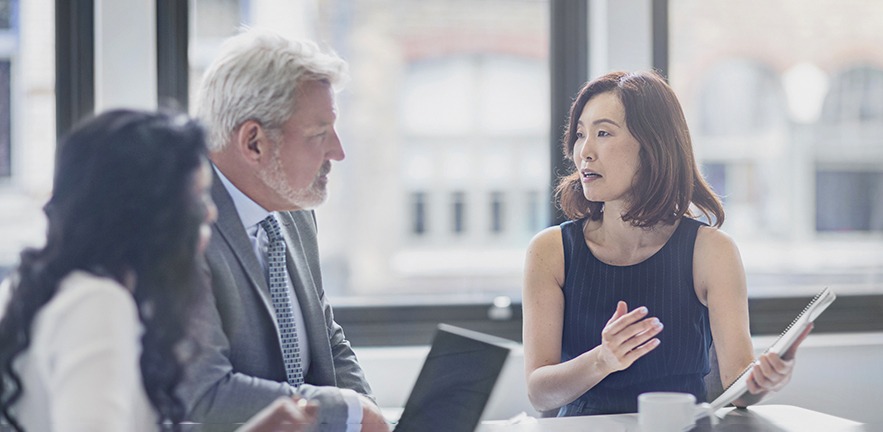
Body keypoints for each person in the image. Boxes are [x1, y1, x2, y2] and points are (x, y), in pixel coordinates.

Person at [0, 109, 317, 431]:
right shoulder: (97, 304)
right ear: (147, 210)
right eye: (197, 197)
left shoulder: (64, 289)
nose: (210, 213)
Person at [522, 71, 812, 417]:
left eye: (603, 133)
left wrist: (763, 381)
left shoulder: (712, 252)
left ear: (653, 147)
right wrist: (602, 359)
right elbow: (540, 394)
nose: (584, 151)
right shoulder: (550, 251)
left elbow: (736, 388)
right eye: (581, 134)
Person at [180, 28, 387, 431]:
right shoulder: (180, 232)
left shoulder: (292, 208)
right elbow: (205, 394)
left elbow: (327, 340)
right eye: (318, 134)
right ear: (254, 142)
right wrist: (347, 413)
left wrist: (368, 413)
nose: (338, 151)